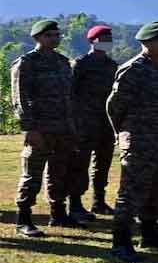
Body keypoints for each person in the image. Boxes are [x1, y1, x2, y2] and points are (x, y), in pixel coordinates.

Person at [107, 21, 158, 263]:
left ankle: (150, 233)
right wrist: (124, 133)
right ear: (146, 42)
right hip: (139, 141)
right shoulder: (134, 69)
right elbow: (114, 106)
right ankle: (120, 243)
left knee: (155, 190)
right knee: (131, 192)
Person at [11, 20, 81, 238]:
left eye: (57, 35)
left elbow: (69, 97)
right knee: (32, 174)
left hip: (63, 128)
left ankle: (58, 214)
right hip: (40, 128)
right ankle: (23, 219)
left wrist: (72, 127)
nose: (54, 38)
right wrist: (29, 129)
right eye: (49, 35)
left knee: (60, 172)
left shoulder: (63, 62)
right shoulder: (26, 63)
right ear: (37, 38)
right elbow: (19, 99)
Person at [70, 24, 118, 221]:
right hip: (84, 122)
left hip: (106, 122)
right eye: (103, 39)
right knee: (80, 163)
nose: (107, 43)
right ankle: (75, 204)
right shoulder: (80, 64)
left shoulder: (112, 65)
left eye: (109, 39)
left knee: (103, 163)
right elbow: (71, 93)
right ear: (92, 41)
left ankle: (99, 201)